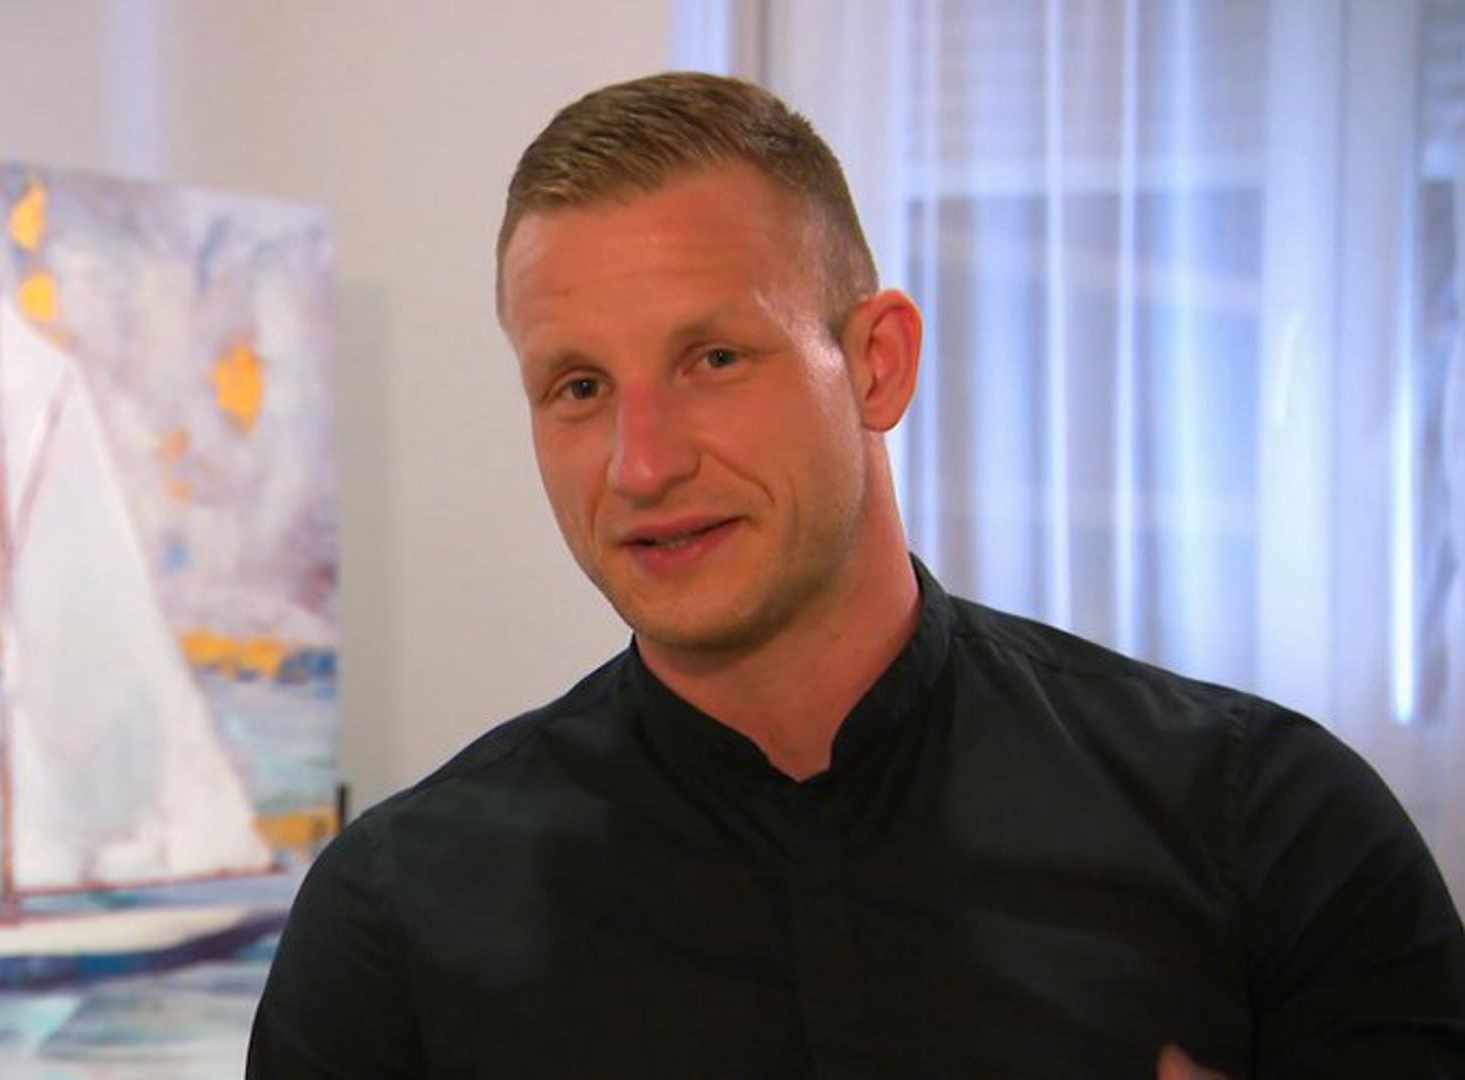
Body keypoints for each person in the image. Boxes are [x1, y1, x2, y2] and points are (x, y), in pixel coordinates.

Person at [247, 72, 1465, 1078]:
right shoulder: (390, 923)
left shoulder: (1267, 831)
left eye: (713, 358)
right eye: (577, 387)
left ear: (876, 363)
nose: (642, 464)